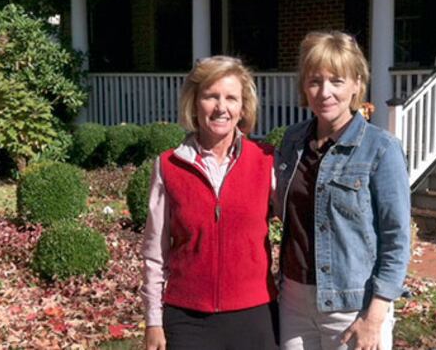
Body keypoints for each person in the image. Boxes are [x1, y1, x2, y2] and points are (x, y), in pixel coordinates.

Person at [274, 31, 411, 350]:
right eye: (315, 81)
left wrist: (375, 317)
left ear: (355, 84)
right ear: (304, 88)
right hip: (293, 300)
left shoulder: (381, 148)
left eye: (336, 80)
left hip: (352, 306)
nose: (325, 92)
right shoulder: (293, 141)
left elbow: (397, 238)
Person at [142, 56, 278, 350]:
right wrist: (153, 320)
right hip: (188, 319)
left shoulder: (266, 161)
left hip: (255, 315)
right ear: (194, 102)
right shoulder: (169, 166)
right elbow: (155, 253)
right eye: (210, 96)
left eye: (231, 98)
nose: (221, 107)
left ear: (243, 107)